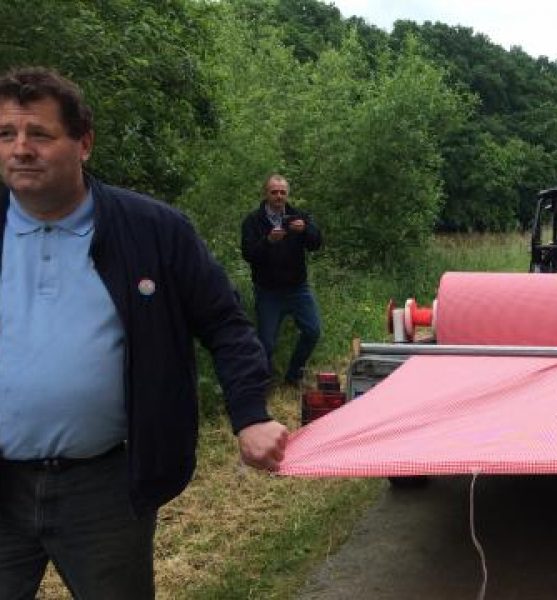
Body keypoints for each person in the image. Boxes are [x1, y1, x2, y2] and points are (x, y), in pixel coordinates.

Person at [0, 67, 287, 598]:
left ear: (83, 143)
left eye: (39, 134)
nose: (20, 149)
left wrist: (250, 414)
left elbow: (225, 323)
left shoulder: (153, 230)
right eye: (6, 135)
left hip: (106, 487)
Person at [241, 174, 322, 385]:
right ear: (266, 194)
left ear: (287, 194)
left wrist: (305, 230)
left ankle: (293, 375)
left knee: (312, 331)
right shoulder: (253, 221)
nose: (278, 196)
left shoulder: (298, 216)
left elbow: (316, 244)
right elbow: (248, 253)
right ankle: (262, 383)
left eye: (282, 192)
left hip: (298, 288)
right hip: (268, 291)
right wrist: (268, 240)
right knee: (266, 344)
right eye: (274, 192)